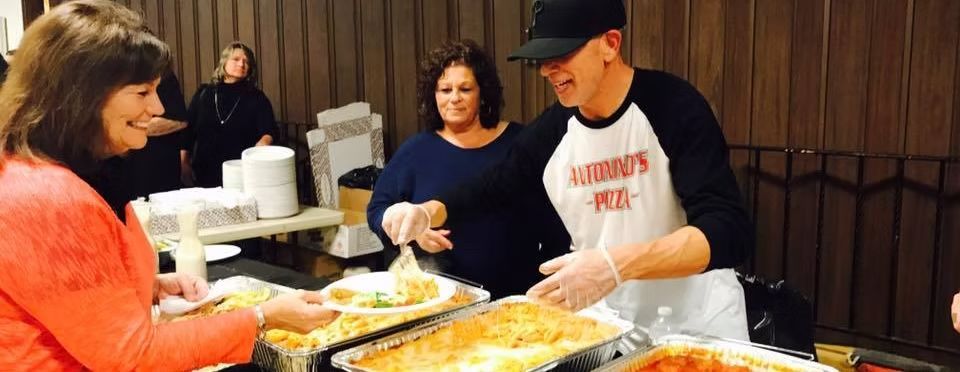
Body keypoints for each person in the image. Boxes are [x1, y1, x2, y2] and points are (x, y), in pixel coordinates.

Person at [378, 0, 753, 340]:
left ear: (610, 43)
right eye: (542, 58)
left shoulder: (673, 107)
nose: (547, 70)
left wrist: (614, 266)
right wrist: (428, 211)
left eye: (562, 53)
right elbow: (495, 184)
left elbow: (727, 231)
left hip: (696, 327)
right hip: (609, 327)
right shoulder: (555, 129)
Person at [0, 1, 337, 370]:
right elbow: (132, 355)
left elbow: (65, 292)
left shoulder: (52, 170)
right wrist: (262, 317)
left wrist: (148, 286)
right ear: (82, 97)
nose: (158, 107)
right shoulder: (48, 198)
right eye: (142, 93)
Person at [367, 40, 542, 299]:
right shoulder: (415, 151)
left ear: (483, 93)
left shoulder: (520, 142)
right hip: (442, 298)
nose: (454, 98)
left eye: (465, 88)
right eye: (445, 89)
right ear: (433, 95)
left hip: (519, 295)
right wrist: (414, 233)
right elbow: (377, 211)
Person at [181, 41, 277, 188]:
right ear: (224, 62)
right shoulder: (204, 93)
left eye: (246, 61)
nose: (241, 64)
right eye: (236, 59)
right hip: (204, 175)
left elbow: (269, 131)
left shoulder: (256, 97)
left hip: (241, 175)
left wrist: (263, 143)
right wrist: (184, 164)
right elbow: (187, 133)